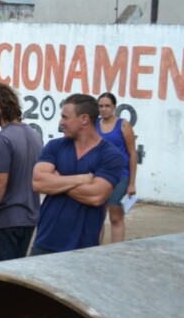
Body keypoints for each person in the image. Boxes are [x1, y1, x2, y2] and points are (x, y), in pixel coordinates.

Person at [31, 93, 123, 255]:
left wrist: (57, 181)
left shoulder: (110, 155)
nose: (61, 122)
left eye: (65, 117)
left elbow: (96, 196)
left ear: (84, 119)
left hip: (83, 248)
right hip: (45, 241)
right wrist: (81, 179)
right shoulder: (55, 146)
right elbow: (38, 182)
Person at [0, 83, 43, 262]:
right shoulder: (34, 135)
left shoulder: (1, 140)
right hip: (28, 219)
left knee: (1, 278)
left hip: (5, 221)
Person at [96, 92, 137, 243]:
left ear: (114, 107)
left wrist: (132, 183)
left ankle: (116, 249)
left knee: (114, 208)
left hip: (121, 175)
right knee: (98, 213)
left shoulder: (123, 125)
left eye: (107, 106)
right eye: (101, 106)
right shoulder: (95, 124)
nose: (104, 109)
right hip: (101, 175)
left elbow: (132, 154)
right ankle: (95, 248)